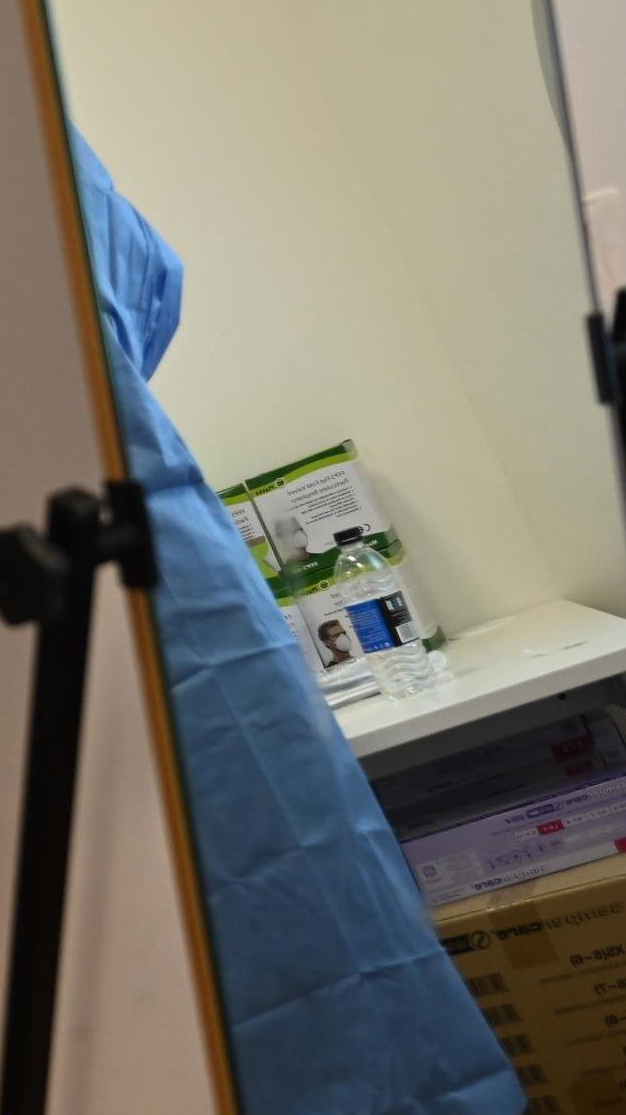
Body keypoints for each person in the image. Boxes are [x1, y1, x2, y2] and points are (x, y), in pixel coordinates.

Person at [70, 128, 522, 1115]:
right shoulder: (10, 108)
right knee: (337, 977)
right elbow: (148, 281)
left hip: (122, 607)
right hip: (180, 604)